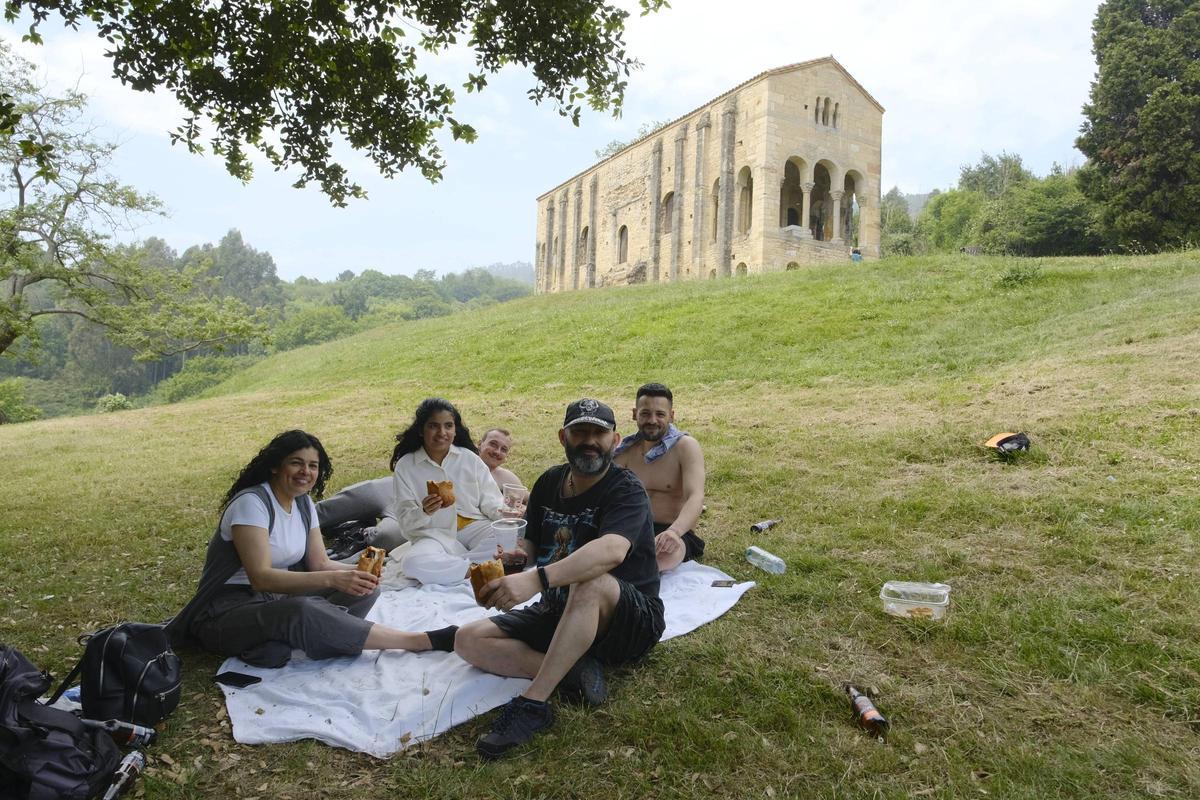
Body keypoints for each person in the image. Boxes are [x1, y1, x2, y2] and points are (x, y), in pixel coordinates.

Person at [453, 399, 665, 759]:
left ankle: (534, 703)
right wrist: (517, 566)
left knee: (591, 579)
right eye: (580, 431)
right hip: (561, 608)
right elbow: (533, 545)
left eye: (599, 433)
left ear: (615, 439)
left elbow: (612, 551)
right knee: (467, 640)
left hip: (628, 618)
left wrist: (535, 580)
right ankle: (573, 671)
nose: (590, 441)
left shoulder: (626, 489)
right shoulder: (550, 482)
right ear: (562, 436)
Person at [166, 430, 436, 668]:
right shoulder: (252, 504)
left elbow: (320, 563)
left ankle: (306, 634)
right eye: (296, 463)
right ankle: (416, 641)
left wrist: (357, 573)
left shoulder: (303, 504)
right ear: (275, 466)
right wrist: (333, 579)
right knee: (303, 610)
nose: (305, 472)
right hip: (225, 611)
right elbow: (261, 577)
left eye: (313, 465)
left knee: (365, 588)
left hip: (276, 599)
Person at [316, 426, 526, 557]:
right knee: (350, 500)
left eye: (504, 449)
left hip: (425, 517)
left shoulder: (506, 478)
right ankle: (303, 519)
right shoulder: (460, 456)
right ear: (479, 444)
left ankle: (355, 532)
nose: (497, 451)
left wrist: (514, 511)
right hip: (400, 490)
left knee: (385, 537)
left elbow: (526, 503)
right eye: (493, 444)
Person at [390, 398, 509, 585]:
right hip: (434, 535)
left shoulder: (469, 458)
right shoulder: (406, 466)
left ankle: (455, 567)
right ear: (421, 430)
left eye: (448, 426)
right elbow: (405, 522)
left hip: (475, 526)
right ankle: (474, 570)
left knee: (510, 538)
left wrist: (506, 515)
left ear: (455, 430)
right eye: (433, 426)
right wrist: (424, 512)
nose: (442, 433)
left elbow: (491, 500)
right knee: (411, 563)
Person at [614, 383, 706, 573]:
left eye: (660, 414)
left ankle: (630, 573)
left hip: (670, 531)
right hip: (630, 528)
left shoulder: (685, 447)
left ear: (671, 416)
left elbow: (695, 497)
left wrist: (675, 532)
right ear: (634, 414)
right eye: (645, 413)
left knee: (666, 554)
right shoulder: (624, 451)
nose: (652, 420)